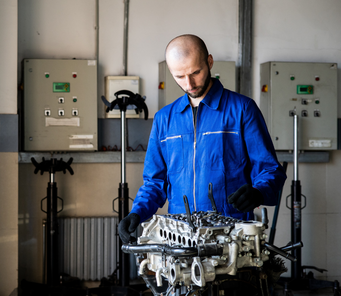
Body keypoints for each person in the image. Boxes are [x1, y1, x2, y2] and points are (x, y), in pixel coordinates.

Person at [118, 34, 286, 244]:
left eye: (195, 72)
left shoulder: (242, 109)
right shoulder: (164, 119)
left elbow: (270, 170)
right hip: (179, 235)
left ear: (210, 62)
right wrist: (137, 212)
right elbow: (155, 181)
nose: (189, 83)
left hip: (231, 234)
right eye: (179, 76)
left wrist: (259, 192)